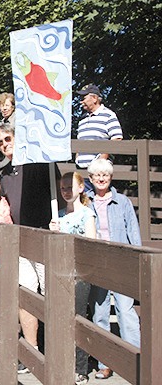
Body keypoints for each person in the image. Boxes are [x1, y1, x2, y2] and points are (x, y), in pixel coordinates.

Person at [0, 122, 61, 371]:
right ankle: (31, 350)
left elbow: (59, 193)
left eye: (7, 139)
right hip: (19, 241)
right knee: (26, 296)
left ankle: (57, 350)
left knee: (52, 294)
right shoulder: (5, 174)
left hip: (43, 236)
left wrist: (57, 219)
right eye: (0, 142)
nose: (4, 145)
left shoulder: (40, 165)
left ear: (17, 138)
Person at [86, 158, 141, 380]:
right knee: (99, 314)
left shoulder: (123, 202)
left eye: (105, 174)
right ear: (90, 178)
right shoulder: (86, 201)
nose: (101, 178)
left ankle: (135, 360)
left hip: (120, 263)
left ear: (111, 177)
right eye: (97, 175)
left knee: (126, 312)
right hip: (97, 264)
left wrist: (136, 260)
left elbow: (133, 233)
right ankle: (104, 363)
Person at [48, 172, 96, 385]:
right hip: (60, 274)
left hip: (79, 274)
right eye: (63, 188)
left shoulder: (87, 214)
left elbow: (91, 243)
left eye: (70, 187)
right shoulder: (57, 215)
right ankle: (62, 364)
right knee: (59, 320)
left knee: (78, 320)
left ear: (80, 188)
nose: (66, 191)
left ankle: (80, 368)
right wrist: (53, 233)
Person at [75, 84, 123, 170]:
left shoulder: (108, 115)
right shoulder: (82, 119)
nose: (81, 102)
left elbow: (117, 138)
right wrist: (77, 159)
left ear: (94, 98)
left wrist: (101, 159)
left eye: (83, 98)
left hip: (99, 171)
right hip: (81, 169)